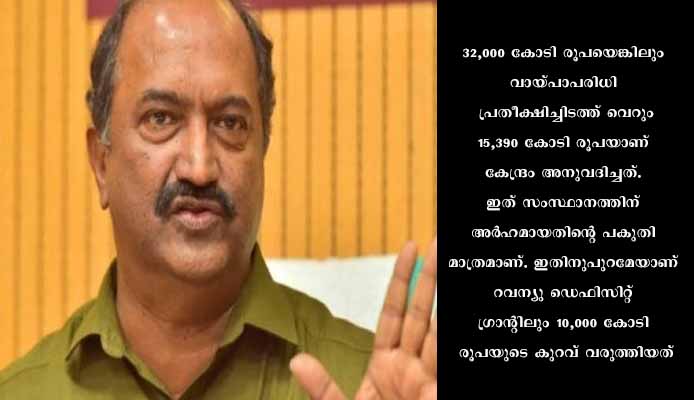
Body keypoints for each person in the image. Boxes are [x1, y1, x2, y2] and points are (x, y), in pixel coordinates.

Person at [0, 0, 437, 398]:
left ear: (263, 150)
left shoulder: (362, 383)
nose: (200, 167)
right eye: (161, 118)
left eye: (230, 123)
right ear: (101, 162)